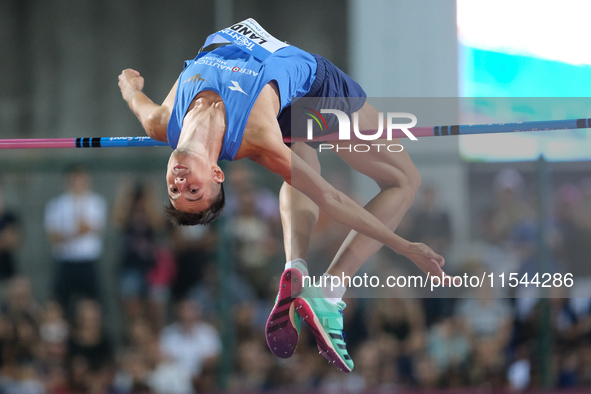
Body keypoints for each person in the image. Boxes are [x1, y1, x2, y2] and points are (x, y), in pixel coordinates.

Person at [118, 18, 454, 372]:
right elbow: (330, 198)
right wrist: (404, 245)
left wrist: (129, 84)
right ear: (217, 174)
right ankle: (330, 292)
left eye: (175, 189)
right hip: (315, 89)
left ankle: (295, 267)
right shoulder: (257, 135)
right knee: (405, 180)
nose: (181, 183)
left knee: (301, 159)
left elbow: (134, 97)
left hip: (279, 96)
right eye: (193, 191)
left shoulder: (161, 121)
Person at [44, 165, 107, 315]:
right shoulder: (56, 205)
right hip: (65, 261)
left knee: (94, 304)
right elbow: (54, 237)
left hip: (88, 261)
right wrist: (77, 232)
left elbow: (92, 229)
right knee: (60, 304)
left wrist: (67, 234)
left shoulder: (96, 202)